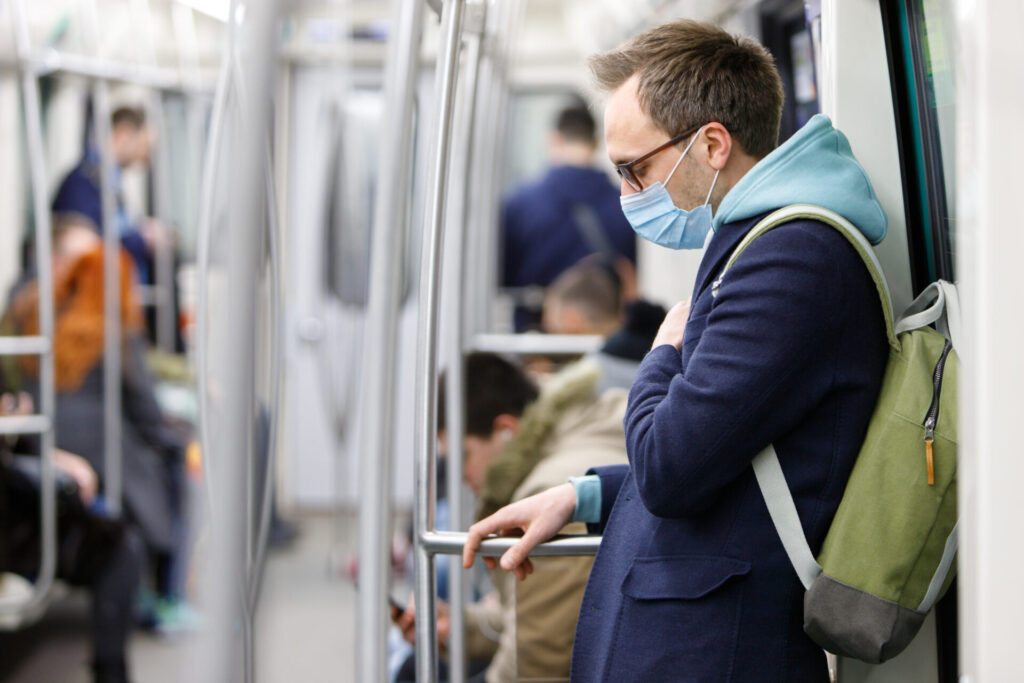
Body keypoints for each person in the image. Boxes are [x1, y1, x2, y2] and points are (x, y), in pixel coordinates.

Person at [463, 19, 889, 681]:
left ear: (712, 144)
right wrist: (582, 496)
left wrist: (661, 354)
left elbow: (669, 467)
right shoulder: (753, 246)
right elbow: (727, 453)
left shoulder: (791, 258)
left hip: (717, 649)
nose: (628, 196)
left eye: (635, 171)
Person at [6, 214, 192, 633]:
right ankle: (168, 592)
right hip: (95, 451)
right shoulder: (113, 330)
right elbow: (144, 409)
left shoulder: (27, 313)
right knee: (175, 458)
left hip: (42, 441)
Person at [394, 353, 630, 682]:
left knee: (408, 669)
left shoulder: (549, 494)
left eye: (464, 457)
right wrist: (463, 627)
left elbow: (537, 660)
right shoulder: (588, 422)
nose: (461, 476)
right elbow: (547, 619)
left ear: (506, 429)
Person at [0, 387, 142, 683]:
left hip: (22, 519)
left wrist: (53, 455)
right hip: (15, 528)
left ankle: (110, 668)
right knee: (119, 548)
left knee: (119, 545)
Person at [502, 101, 636, 331]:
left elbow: (505, 278)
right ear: (595, 143)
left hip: (537, 344)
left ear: (555, 139)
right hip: (603, 337)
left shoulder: (519, 203)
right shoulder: (626, 203)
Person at [51, 105, 166, 289]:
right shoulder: (84, 181)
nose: (147, 157)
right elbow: (92, 249)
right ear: (123, 134)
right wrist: (143, 239)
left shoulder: (105, 180)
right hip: (96, 302)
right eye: (145, 146)